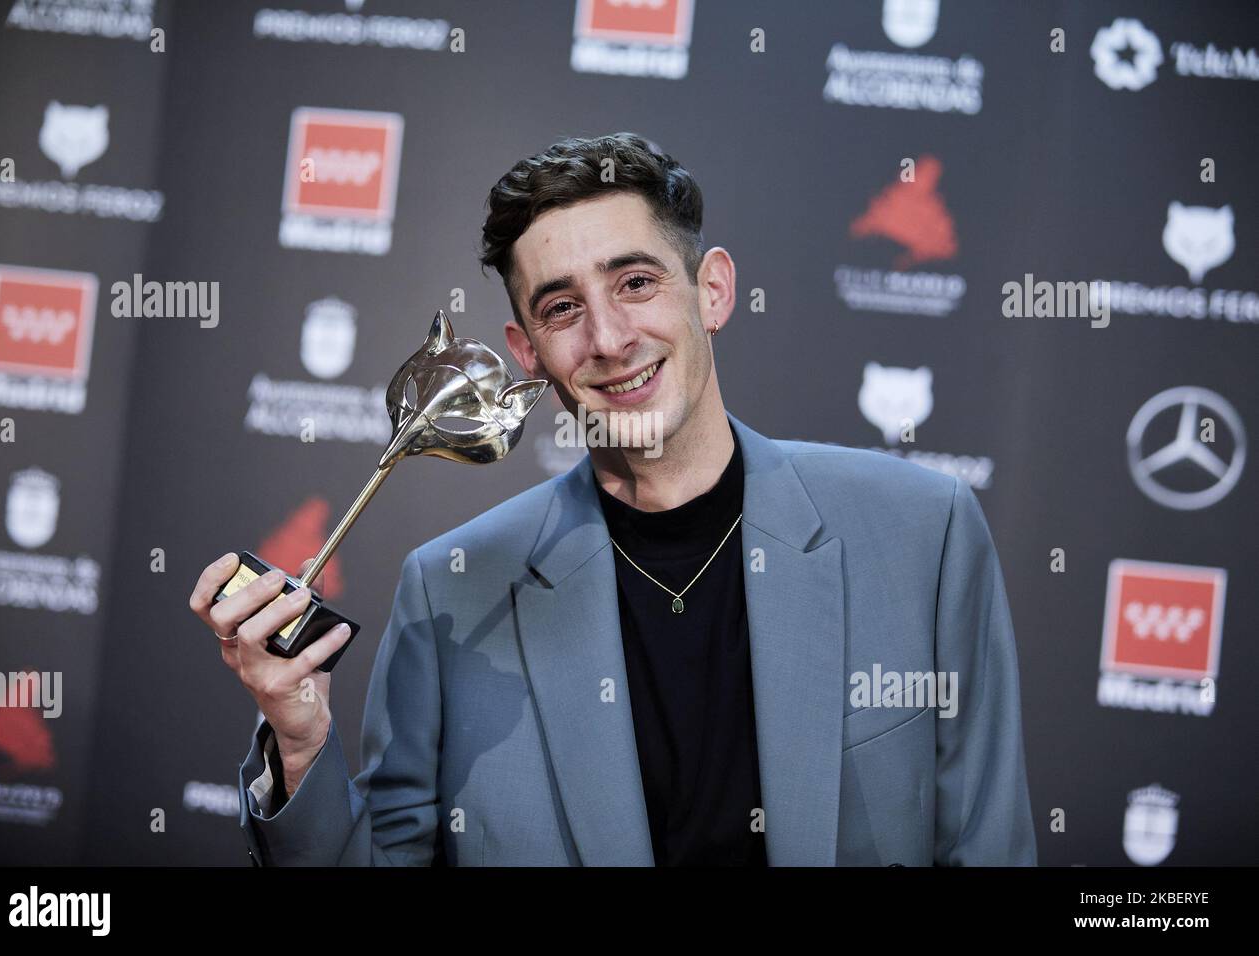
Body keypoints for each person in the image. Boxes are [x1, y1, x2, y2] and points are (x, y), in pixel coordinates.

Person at [188, 132, 1037, 866]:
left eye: (635, 282)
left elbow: (986, 844)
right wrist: (300, 745)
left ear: (712, 290)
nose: (609, 339)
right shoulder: (450, 588)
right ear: (527, 353)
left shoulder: (922, 534)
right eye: (563, 308)